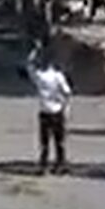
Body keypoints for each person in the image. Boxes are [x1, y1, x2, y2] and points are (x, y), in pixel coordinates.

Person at [26, 46, 72, 174]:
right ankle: (60, 165)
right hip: (57, 111)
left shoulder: (40, 77)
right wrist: (66, 107)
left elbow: (29, 66)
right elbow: (67, 92)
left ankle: (43, 167)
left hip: (44, 112)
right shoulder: (58, 76)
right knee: (60, 142)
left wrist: (34, 51)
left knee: (44, 143)